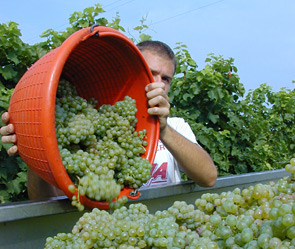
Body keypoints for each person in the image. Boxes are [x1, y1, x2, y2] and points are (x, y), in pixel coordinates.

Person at [0, 40, 218, 200]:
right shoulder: (96, 123)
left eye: (166, 79)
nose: (158, 83)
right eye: (150, 73)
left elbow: (208, 177)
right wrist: (35, 151)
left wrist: (163, 131)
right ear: (130, 70)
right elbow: (45, 202)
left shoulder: (176, 126)